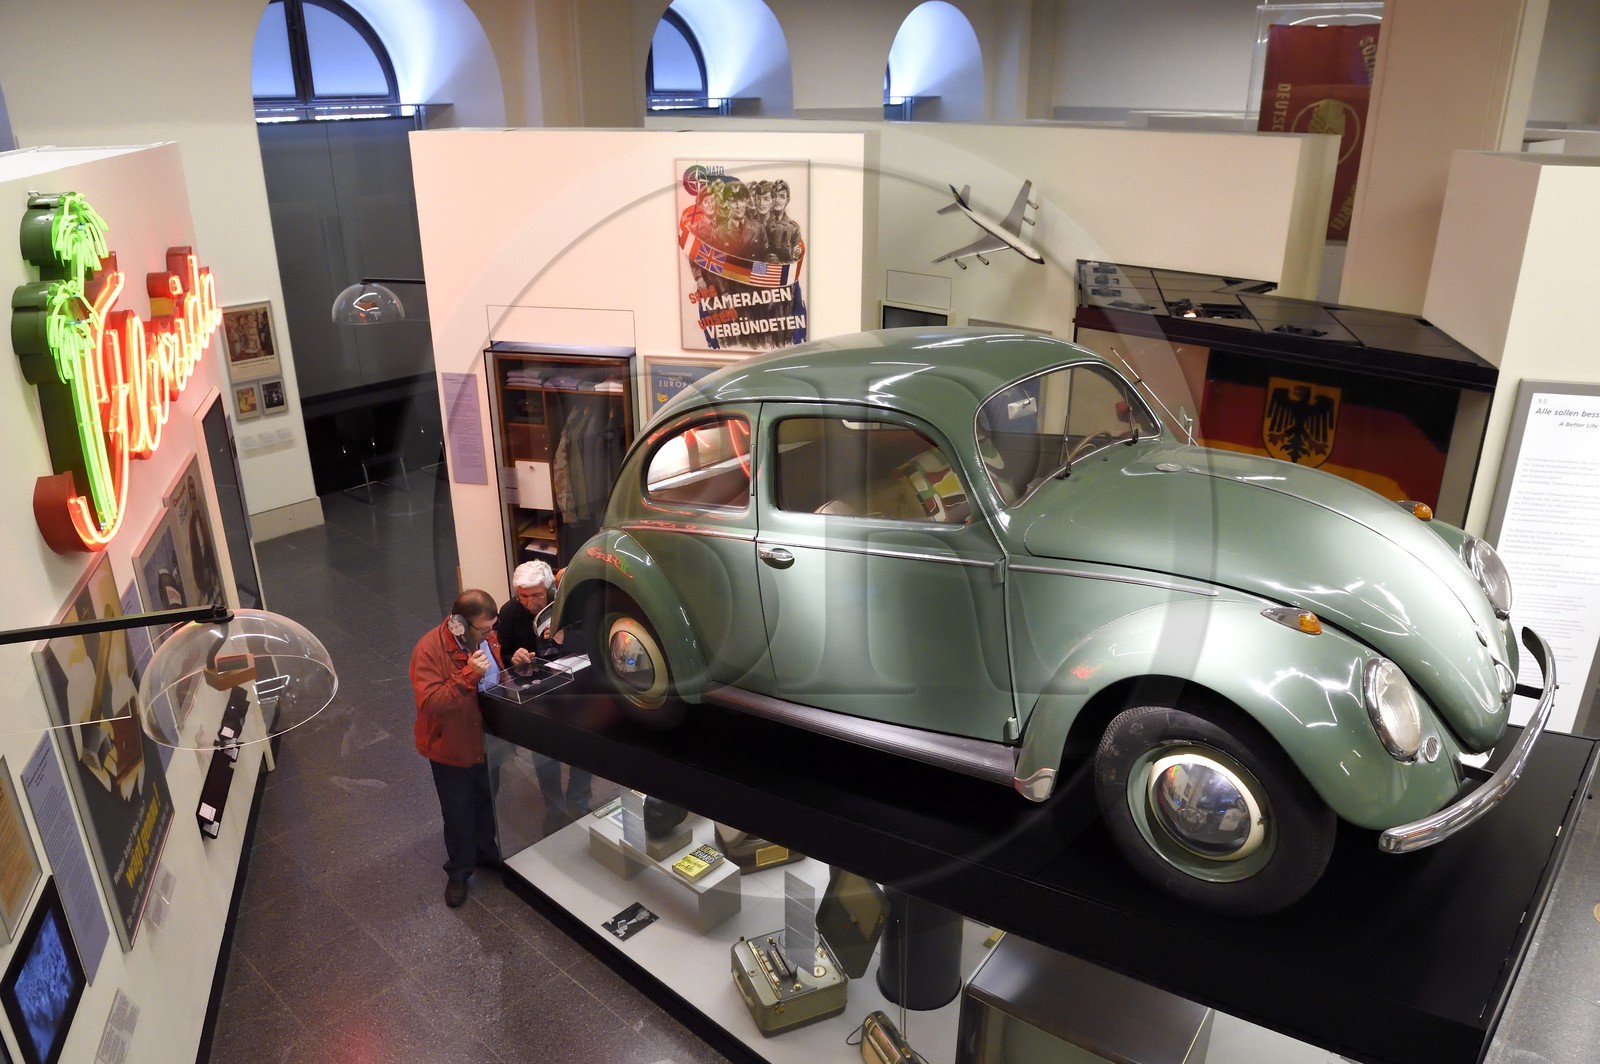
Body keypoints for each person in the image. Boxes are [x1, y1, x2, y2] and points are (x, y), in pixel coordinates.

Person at [410, 589, 505, 907]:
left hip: (486, 741)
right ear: (460, 623)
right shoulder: (428, 650)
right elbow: (431, 703)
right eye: (484, 628)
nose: (490, 634)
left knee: (486, 800)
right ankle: (459, 872)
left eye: (493, 626)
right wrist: (468, 675)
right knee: (458, 812)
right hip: (450, 749)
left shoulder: (485, 637)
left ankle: (485, 852)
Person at [494, 561, 593, 831]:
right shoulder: (511, 612)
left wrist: (565, 638)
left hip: (578, 690)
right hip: (540, 692)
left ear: (549, 589)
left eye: (536, 595)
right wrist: (513, 657)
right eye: (523, 596)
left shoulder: (573, 604)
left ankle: (579, 798)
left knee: (584, 748)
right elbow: (503, 650)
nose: (530, 603)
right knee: (544, 752)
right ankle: (554, 806)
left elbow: (597, 641)